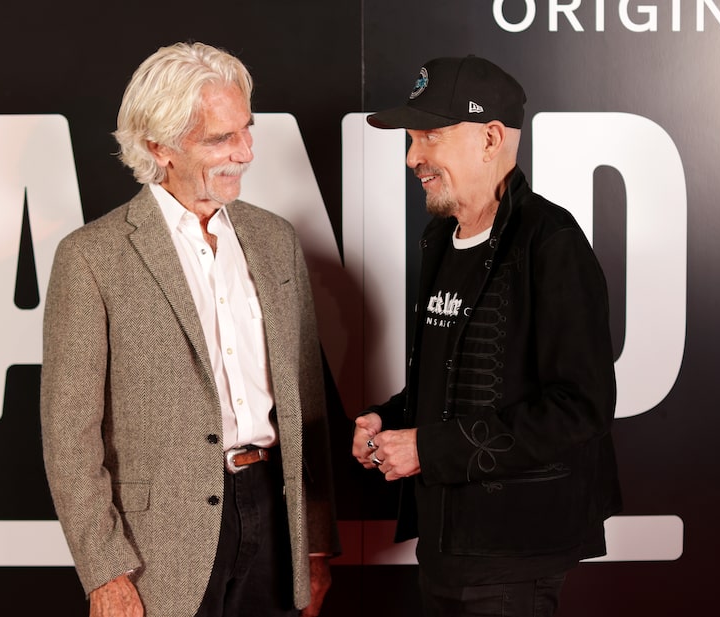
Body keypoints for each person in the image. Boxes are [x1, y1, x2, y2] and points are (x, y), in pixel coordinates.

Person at [41, 42, 339, 617]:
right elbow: (69, 438)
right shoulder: (92, 258)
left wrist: (316, 543)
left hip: (276, 520)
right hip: (160, 548)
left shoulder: (276, 240)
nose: (246, 153)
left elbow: (308, 408)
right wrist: (105, 573)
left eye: (246, 131)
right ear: (160, 147)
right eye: (221, 139)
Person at [352, 55, 622, 616]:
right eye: (411, 139)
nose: (412, 158)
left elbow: (581, 408)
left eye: (429, 137)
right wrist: (392, 420)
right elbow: (451, 384)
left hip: (512, 563)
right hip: (445, 549)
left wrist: (427, 448)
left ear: (491, 137)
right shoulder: (440, 240)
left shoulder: (552, 243)